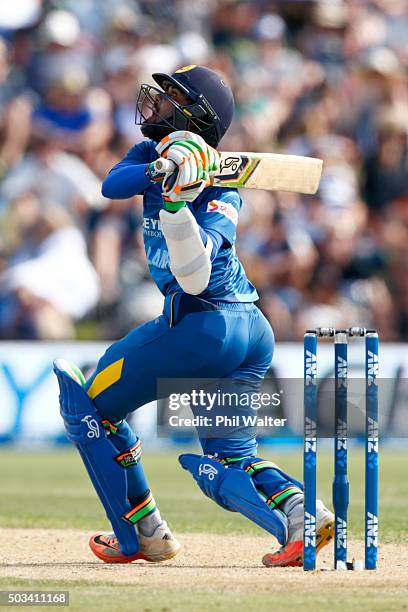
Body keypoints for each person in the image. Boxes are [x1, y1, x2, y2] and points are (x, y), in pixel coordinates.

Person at [54, 65, 334, 567]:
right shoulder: (149, 152)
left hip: (208, 325)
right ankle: (301, 514)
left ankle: (141, 533)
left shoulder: (222, 190)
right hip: (247, 328)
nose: (155, 104)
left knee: (88, 408)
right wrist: (162, 169)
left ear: (195, 113)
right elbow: (113, 186)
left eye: (170, 98)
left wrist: (179, 207)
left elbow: (196, 278)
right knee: (230, 458)